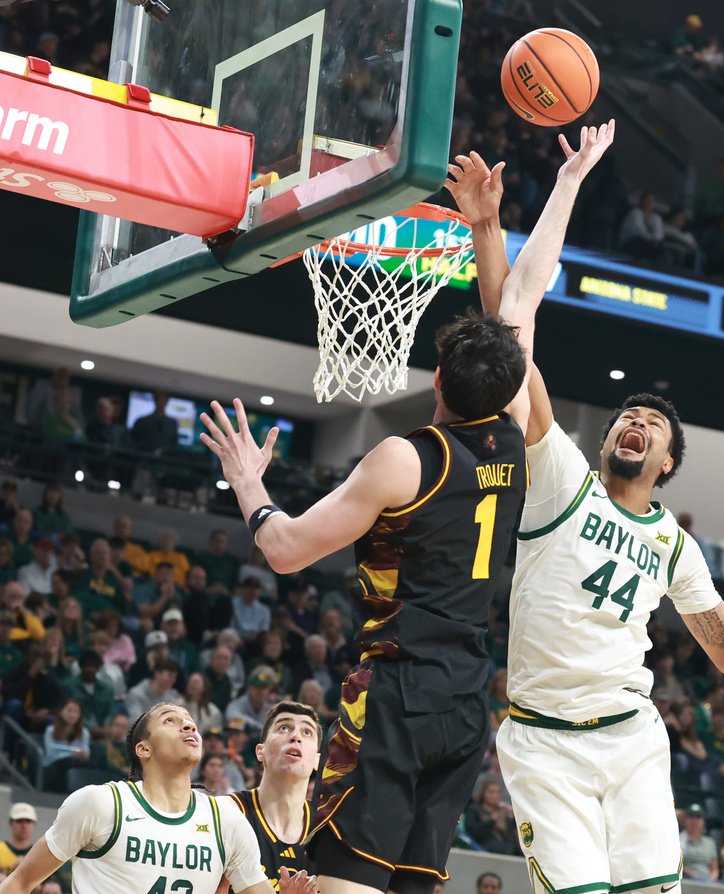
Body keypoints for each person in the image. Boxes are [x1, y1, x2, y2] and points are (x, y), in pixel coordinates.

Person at [200, 123, 616, 894]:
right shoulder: (519, 431)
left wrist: (249, 482)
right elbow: (522, 291)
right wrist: (563, 184)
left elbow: (286, 550)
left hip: (395, 693)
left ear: (436, 381)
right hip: (465, 702)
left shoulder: (405, 459)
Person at [448, 140, 724, 894]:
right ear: (605, 441)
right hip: (544, 741)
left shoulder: (673, 545)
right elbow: (512, 340)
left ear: (666, 463)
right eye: (625, 417)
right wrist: (493, 227)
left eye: (651, 425)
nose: (634, 423)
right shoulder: (561, 476)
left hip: (632, 740)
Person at [0, 703, 299, 894]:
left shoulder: (227, 821)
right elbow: (20, 882)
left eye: (191, 722)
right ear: (144, 749)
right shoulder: (101, 804)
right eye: (170, 720)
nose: (189, 725)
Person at [227, 702, 322, 889]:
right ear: (260, 752)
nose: (295, 737)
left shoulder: (328, 827)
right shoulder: (228, 812)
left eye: (307, 732)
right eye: (284, 728)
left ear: (317, 761)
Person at [679, 804, 718, 883]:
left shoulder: (710, 843)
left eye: (698, 817)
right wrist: (695, 878)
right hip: (686, 880)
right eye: (691, 817)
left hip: (708, 881)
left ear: (703, 822)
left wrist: (711, 880)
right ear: (685, 820)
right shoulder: (678, 840)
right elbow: (677, 864)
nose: (694, 821)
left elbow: (714, 868)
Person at [0, 804, 36, 875]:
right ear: (10, 823)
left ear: (34, 824)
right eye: (19, 821)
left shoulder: (38, 853)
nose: (24, 826)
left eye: (28, 821)